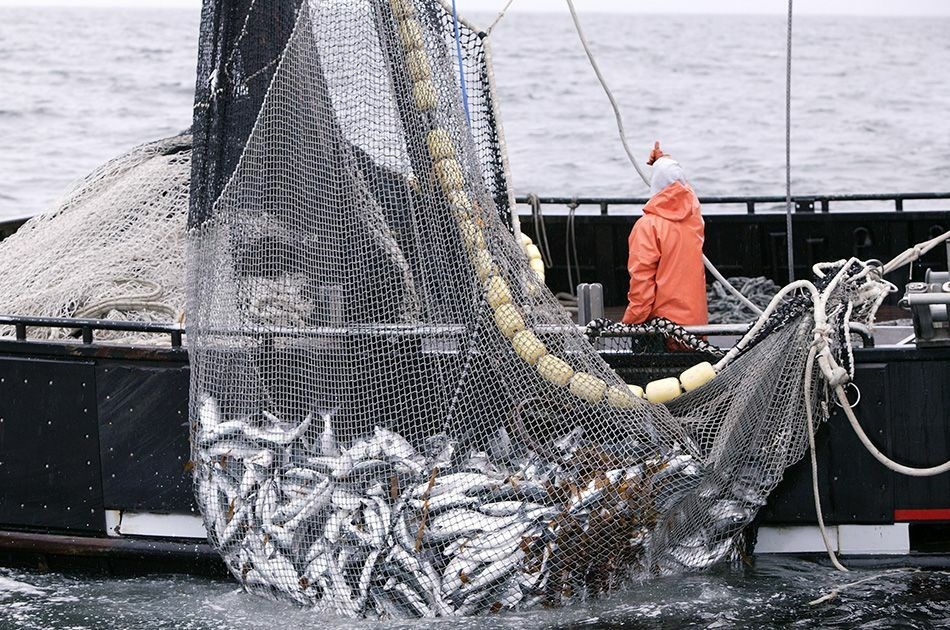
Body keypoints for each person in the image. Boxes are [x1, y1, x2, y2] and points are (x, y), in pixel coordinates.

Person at [621, 142, 708, 329]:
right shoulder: (694, 214)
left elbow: (641, 288)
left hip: (662, 330)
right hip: (696, 326)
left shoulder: (647, 227)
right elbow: (682, 186)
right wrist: (662, 160)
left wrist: (628, 325)